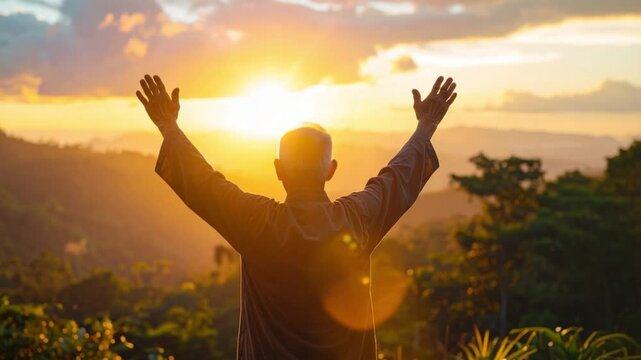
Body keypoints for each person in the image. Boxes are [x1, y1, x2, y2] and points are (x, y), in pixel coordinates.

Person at [136, 74, 457, 360]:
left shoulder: (256, 223)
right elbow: (396, 179)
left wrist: (169, 127)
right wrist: (425, 127)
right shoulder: (357, 220)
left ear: (278, 170)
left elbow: (204, 183)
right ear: (331, 171)